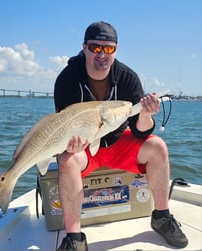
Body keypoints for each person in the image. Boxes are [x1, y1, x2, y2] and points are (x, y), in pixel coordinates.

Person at [54, 21, 188, 251]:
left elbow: (139, 130)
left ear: (116, 50)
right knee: (67, 160)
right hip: (85, 147)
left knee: (158, 146)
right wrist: (71, 144)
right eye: (96, 48)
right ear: (84, 47)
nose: (102, 54)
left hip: (118, 141)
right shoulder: (67, 79)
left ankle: (162, 216)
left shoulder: (128, 78)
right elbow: (62, 126)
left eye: (109, 48)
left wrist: (146, 114)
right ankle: (75, 238)